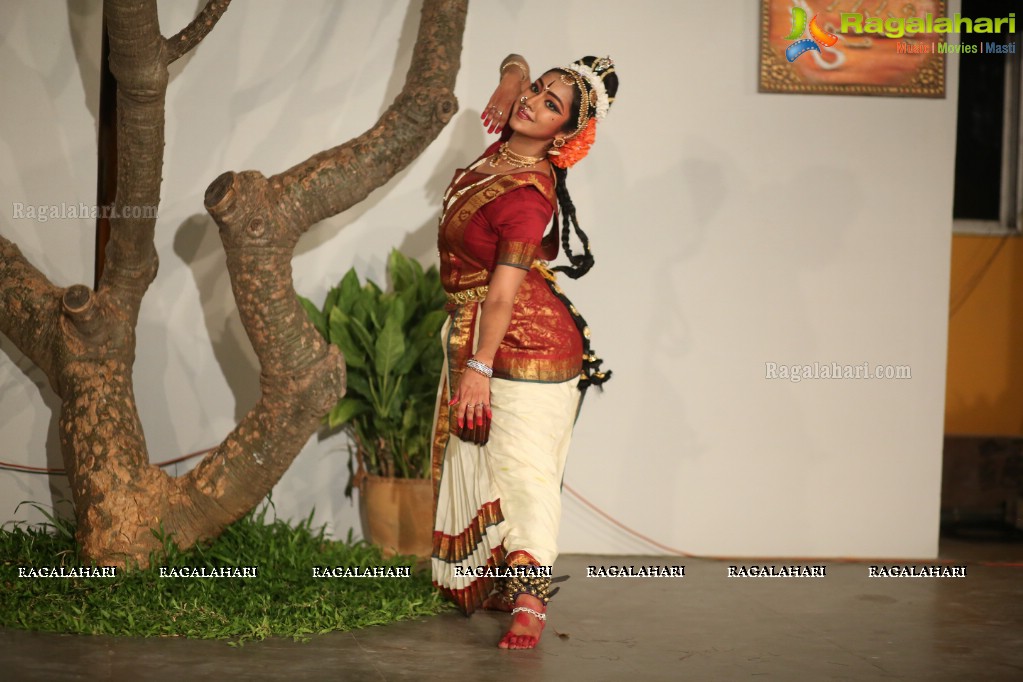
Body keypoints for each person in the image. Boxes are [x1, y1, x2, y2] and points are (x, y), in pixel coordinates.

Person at [430, 53, 618, 650]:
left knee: (524, 473)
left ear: (564, 136)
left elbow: (506, 293)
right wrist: (511, 79)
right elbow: (517, 58)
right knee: (484, 460)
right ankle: (499, 581)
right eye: (538, 90)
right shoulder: (505, 151)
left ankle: (531, 603)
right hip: (482, 326)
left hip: (525, 343)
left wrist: (479, 369)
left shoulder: (530, 195)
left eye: (550, 104)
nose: (533, 100)